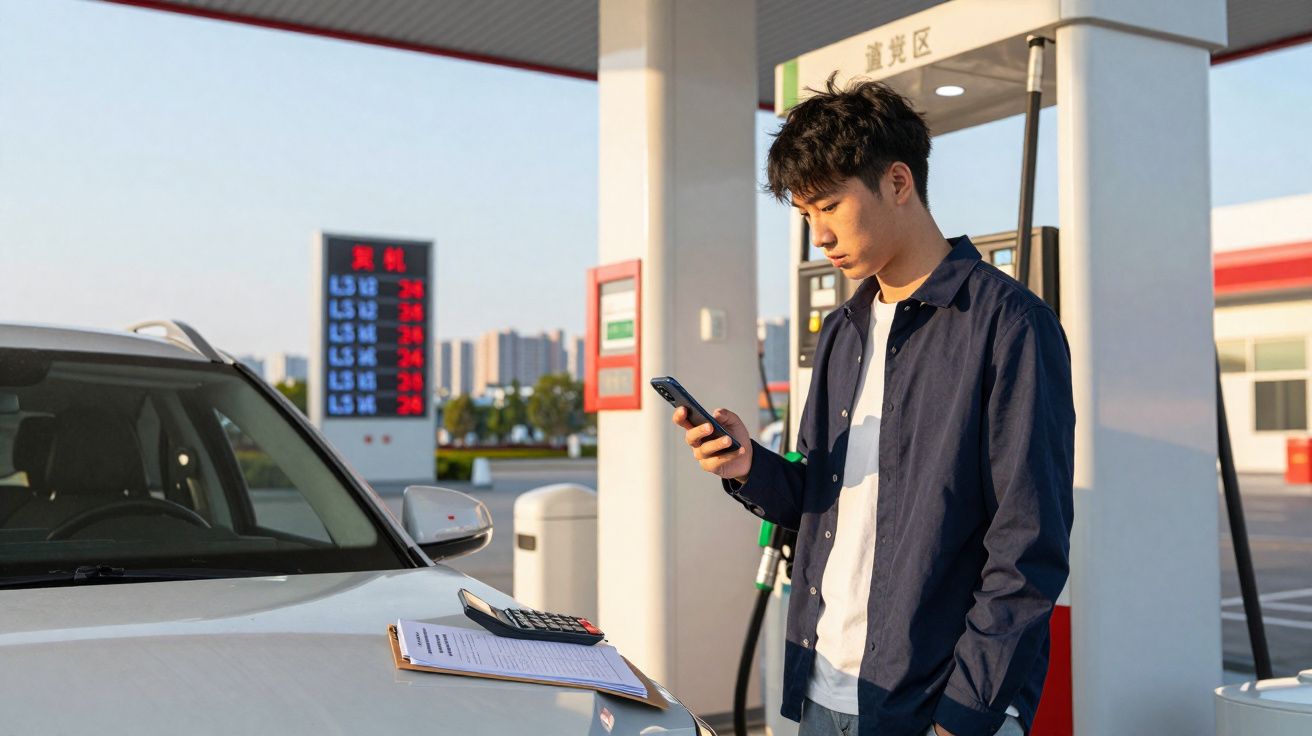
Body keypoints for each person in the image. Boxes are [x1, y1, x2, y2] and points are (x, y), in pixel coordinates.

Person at [672, 76, 1074, 736]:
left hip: (936, 701)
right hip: (826, 684)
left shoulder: (1009, 325)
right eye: (806, 214)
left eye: (829, 205)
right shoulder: (843, 331)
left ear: (897, 182)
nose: (819, 235)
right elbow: (822, 497)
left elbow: (1028, 543)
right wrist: (748, 466)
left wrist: (965, 713)